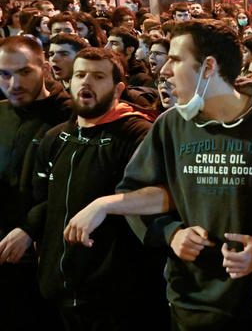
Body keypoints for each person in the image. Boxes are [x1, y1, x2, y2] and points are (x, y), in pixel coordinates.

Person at [62, 20, 252, 330]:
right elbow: (142, 190)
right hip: (191, 299)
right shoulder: (171, 124)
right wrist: (171, 233)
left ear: (208, 67)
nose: (164, 70)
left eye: (176, 59)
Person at [22, 48, 166, 329]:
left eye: (98, 76)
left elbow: (166, 195)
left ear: (118, 88)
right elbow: (46, 204)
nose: (86, 82)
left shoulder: (137, 133)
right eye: (80, 75)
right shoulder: (55, 138)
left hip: (118, 298)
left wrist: (104, 203)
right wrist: (27, 230)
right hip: (60, 291)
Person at [0, 36, 71, 330]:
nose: (14, 83)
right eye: (5, 74)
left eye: (24, 72)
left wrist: (31, 227)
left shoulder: (70, 116)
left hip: (51, 261)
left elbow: (73, 188)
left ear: (44, 67)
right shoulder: (2, 113)